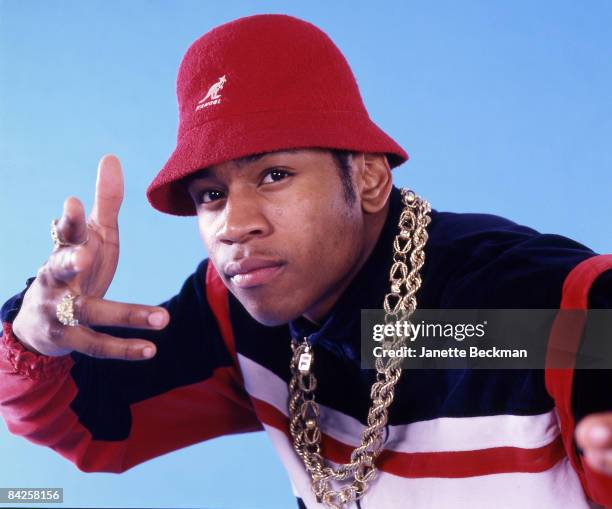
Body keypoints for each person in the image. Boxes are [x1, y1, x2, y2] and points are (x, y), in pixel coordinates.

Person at [1, 13, 611, 509]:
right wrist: (34, 341)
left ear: (370, 178)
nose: (235, 224)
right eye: (210, 194)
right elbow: (94, 425)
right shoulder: (236, 305)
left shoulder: (526, 309)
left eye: (274, 174)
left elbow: (573, 335)